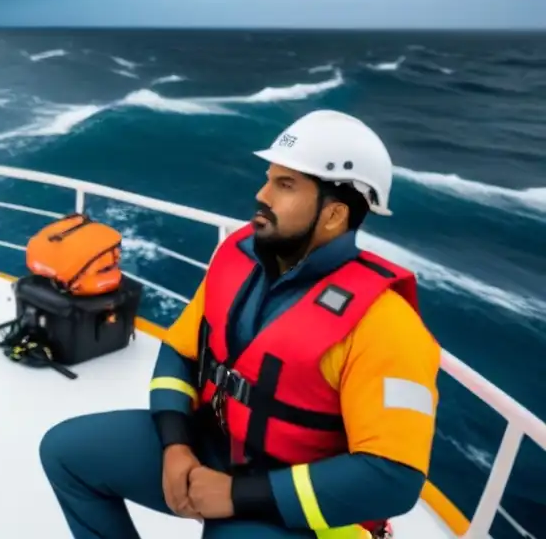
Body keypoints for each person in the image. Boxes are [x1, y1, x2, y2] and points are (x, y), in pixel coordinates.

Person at [39, 110, 441, 538]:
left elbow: (393, 478)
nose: (261, 194)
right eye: (268, 178)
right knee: (67, 452)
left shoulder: (386, 325)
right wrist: (176, 446)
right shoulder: (237, 259)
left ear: (334, 215)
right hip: (214, 450)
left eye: (285, 185)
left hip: (299, 509)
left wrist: (236, 495)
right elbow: (180, 351)